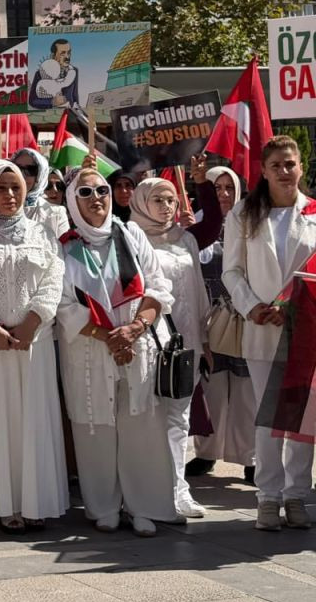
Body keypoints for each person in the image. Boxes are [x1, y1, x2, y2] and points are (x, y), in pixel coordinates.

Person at [56, 168, 177, 537]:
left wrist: (135, 328)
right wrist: (108, 336)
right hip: (90, 350)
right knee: (94, 426)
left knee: (140, 423)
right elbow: (63, 304)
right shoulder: (63, 245)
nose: (97, 199)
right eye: (86, 192)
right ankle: (103, 505)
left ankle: (143, 505)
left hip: (136, 343)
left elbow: (158, 287)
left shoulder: (130, 233)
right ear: (73, 202)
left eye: (103, 190)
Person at [0, 160, 68, 534]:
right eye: (1, 188)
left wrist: (31, 323)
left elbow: (54, 281)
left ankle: (36, 501)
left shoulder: (43, 233)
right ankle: (5, 503)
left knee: (33, 421)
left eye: (16, 188)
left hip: (32, 345)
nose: (9, 195)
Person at [222, 135, 316, 531]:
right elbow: (232, 270)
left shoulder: (313, 212)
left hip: (305, 331)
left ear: (301, 167)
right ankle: (267, 497)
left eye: (290, 164)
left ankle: (297, 495)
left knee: (303, 417)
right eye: (276, 165)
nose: (284, 172)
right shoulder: (244, 214)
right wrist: (253, 305)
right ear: (263, 170)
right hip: (261, 330)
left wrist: (292, 305)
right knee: (268, 416)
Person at [126, 157, 221, 521]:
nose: (166, 207)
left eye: (171, 201)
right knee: (149, 420)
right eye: (158, 200)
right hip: (147, 343)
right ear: (140, 202)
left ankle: (179, 490)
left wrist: (202, 183)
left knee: (179, 419)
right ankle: (149, 492)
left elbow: (211, 226)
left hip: (187, 344)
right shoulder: (130, 238)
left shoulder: (186, 239)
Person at [190, 166, 255, 478]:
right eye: (217, 187)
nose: (225, 194)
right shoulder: (194, 224)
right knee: (211, 387)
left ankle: (250, 458)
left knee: (246, 391)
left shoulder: (252, 223)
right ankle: (206, 453)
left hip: (246, 317)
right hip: (209, 319)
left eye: (230, 187)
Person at [11, 147, 68, 241]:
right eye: (17, 168)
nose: (22, 175)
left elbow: (63, 251)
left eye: (30, 170)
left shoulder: (56, 213)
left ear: (40, 175)